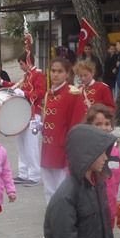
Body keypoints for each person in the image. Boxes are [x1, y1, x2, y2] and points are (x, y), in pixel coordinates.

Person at [40, 57, 87, 202]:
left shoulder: (73, 94)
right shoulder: (49, 93)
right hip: (48, 148)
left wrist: (70, 151)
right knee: (48, 187)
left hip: (62, 149)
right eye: (53, 71)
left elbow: (76, 126)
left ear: (67, 74)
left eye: (60, 71)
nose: (55, 74)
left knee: (62, 188)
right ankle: (52, 214)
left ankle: (62, 217)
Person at [0, 52, 46, 186]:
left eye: (21, 63)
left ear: (27, 61)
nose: (20, 66)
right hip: (22, 114)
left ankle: (34, 175)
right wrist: (3, 83)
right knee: (21, 145)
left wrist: (24, 93)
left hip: (33, 114)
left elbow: (41, 93)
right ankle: (23, 173)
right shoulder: (27, 75)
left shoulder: (38, 74)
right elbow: (17, 87)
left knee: (31, 146)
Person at [85, 104, 120, 225]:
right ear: (89, 126)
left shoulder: (115, 151)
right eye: (98, 124)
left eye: (107, 124)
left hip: (110, 207)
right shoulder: (85, 150)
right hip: (91, 209)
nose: (103, 128)